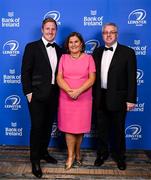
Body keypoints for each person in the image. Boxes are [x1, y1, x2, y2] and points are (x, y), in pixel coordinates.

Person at [21, 18, 63, 178]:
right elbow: (25, 72)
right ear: (42, 29)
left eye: (53, 29)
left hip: (54, 95)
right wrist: (28, 93)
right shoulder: (32, 47)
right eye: (48, 28)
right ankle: (35, 160)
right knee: (37, 127)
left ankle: (44, 152)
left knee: (47, 127)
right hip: (36, 95)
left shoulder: (59, 50)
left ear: (56, 31)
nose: (50, 31)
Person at [92, 22, 137, 170]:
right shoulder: (97, 52)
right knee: (102, 129)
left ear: (117, 34)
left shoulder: (128, 52)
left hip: (118, 98)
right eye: (106, 32)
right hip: (100, 96)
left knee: (118, 129)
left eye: (112, 32)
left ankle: (120, 156)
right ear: (102, 34)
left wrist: (131, 99)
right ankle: (102, 154)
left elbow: (132, 78)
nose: (109, 35)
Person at [57, 32, 96, 170]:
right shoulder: (63, 57)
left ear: (81, 44)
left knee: (80, 128)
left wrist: (78, 91)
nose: (73, 44)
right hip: (66, 97)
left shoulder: (89, 58)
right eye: (71, 42)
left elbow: (92, 79)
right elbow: (59, 78)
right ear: (67, 45)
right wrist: (69, 91)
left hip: (83, 98)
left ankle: (78, 152)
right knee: (69, 128)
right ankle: (70, 156)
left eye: (76, 42)